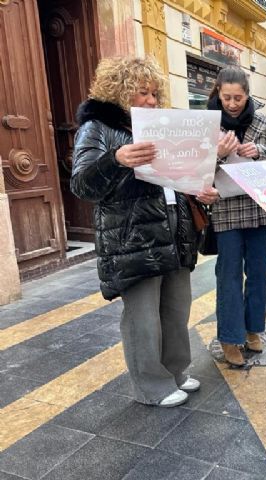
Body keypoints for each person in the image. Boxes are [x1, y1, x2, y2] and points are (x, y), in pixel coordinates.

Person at [72, 56, 217, 408]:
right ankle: (151, 386)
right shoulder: (98, 129)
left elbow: (176, 177)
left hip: (173, 233)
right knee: (142, 319)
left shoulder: (164, 126)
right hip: (133, 239)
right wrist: (115, 159)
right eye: (143, 92)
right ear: (120, 91)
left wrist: (199, 190)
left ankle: (176, 372)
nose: (152, 100)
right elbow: (81, 184)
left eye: (155, 93)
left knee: (176, 310)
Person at [206, 66, 266, 367]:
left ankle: (253, 330)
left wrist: (260, 150)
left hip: (257, 207)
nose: (233, 103)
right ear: (218, 93)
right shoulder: (208, 124)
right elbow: (196, 168)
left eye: (238, 97)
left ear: (248, 95)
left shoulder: (262, 121)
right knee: (228, 276)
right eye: (227, 97)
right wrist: (219, 154)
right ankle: (229, 338)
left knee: (258, 275)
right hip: (225, 208)